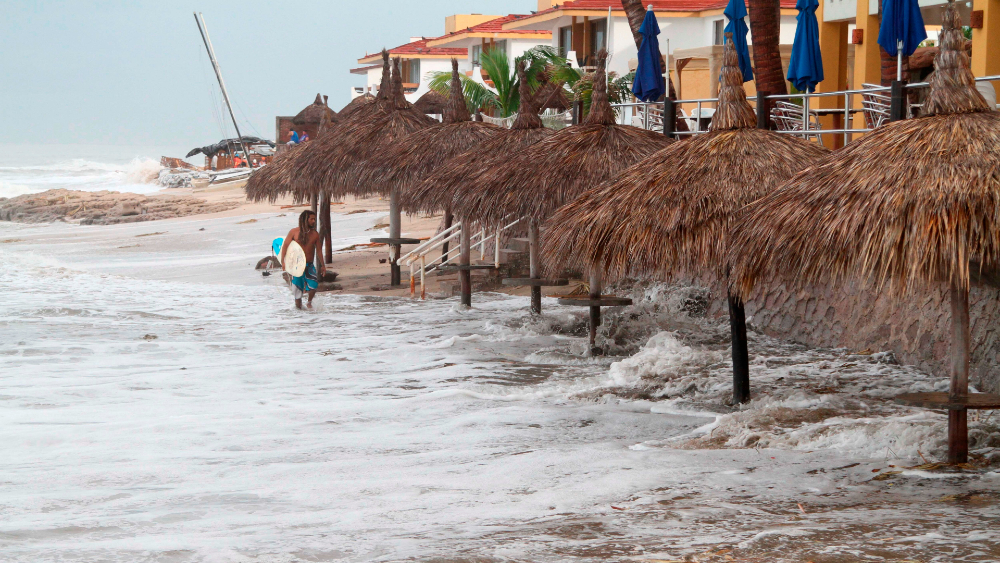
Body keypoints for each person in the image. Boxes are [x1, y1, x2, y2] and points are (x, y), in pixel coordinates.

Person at [279, 209, 325, 309]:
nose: (314, 221)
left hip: (309, 265)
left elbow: (319, 251)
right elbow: (285, 246)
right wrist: (283, 261)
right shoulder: (293, 232)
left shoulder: (315, 234)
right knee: (297, 291)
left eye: (314, 219)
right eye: (312, 219)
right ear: (305, 219)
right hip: (296, 266)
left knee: (313, 286)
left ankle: (309, 302)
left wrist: (323, 266)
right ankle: (299, 314)